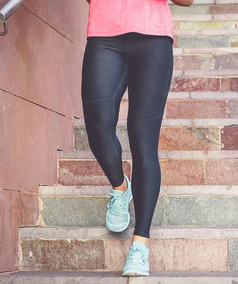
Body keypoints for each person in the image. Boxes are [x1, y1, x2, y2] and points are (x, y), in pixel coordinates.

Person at [81, 0, 193, 276]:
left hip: (153, 38)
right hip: (104, 34)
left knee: (143, 141)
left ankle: (140, 243)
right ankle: (120, 187)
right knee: (97, 125)